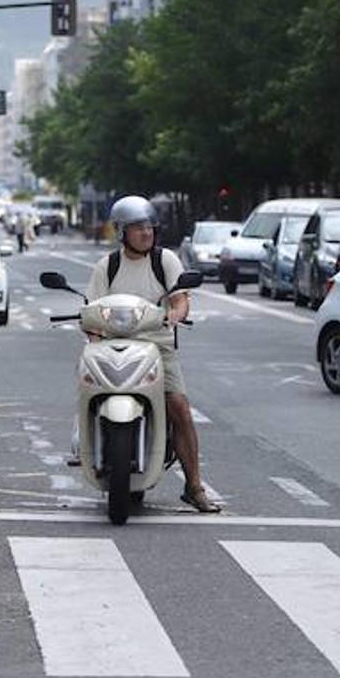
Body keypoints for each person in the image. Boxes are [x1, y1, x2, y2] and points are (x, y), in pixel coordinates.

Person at [85, 195, 220, 513]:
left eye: (149, 227)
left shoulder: (165, 261)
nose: (146, 233)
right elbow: (91, 310)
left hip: (157, 346)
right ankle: (89, 445)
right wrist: (93, 333)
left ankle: (194, 486)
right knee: (89, 390)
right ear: (122, 232)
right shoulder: (108, 266)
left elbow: (180, 300)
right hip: (113, 346)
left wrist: (175, 314)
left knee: (179, 407)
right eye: (137, 227)